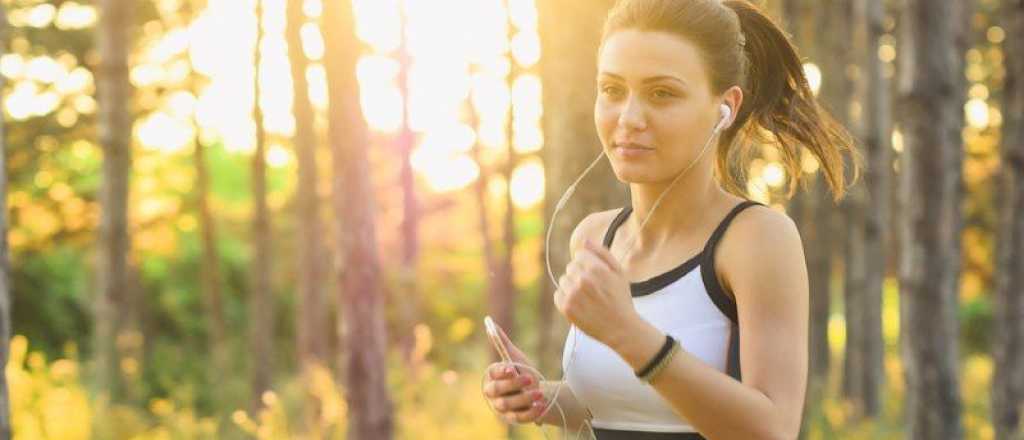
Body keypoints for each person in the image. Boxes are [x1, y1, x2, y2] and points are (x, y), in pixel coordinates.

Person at [482, 0, 860, 438]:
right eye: (612, 90)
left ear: (726, 107)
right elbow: (628, 406)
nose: (629, 118)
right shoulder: (594, 237)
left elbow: (771, 429)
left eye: (662, 93)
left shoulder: (755, 239)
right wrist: (543, 398)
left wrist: (628, 334)